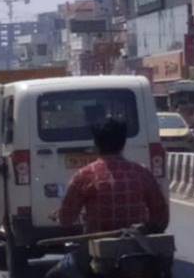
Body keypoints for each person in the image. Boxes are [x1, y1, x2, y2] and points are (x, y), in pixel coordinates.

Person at [45, 118, 169, 278]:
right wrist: (145, 228)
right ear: (123, 143)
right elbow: (161, 217)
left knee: (52, 275)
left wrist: (61, 216)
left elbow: (66, 219)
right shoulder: (142, 173)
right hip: (139, 251)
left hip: (97, 254)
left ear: (96, 144)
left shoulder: (84, 175)